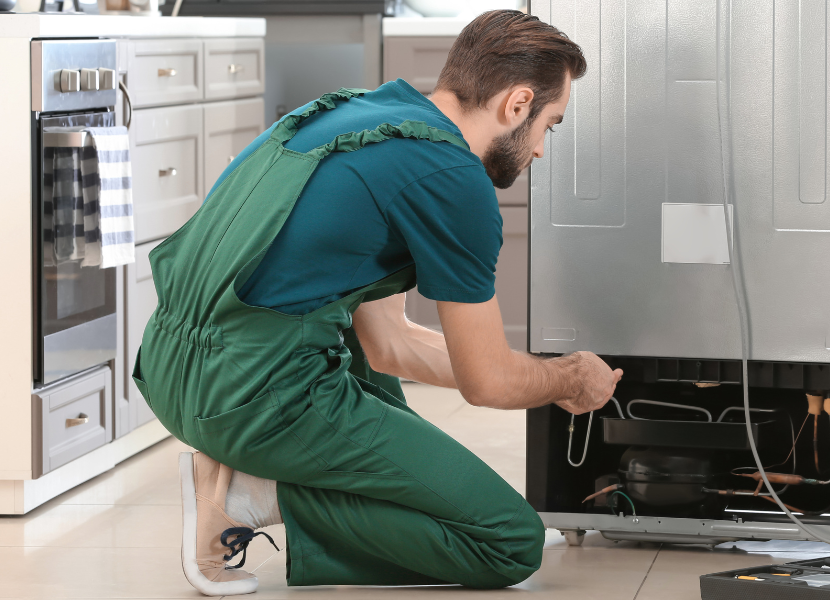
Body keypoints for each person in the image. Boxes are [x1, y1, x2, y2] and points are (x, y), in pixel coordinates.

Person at [133, 10, 621, 595]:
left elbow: (390, 347)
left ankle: (250, 472)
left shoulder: (359, 118)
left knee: (376, 392)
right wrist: (566, 378)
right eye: (551, 124)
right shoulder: (453, 178)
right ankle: (252, 495)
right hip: (253, 398)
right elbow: (487, 383)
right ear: (517, 104)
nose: (541, 149)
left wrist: (537, 380)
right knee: (506, 542)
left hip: (171, 374)